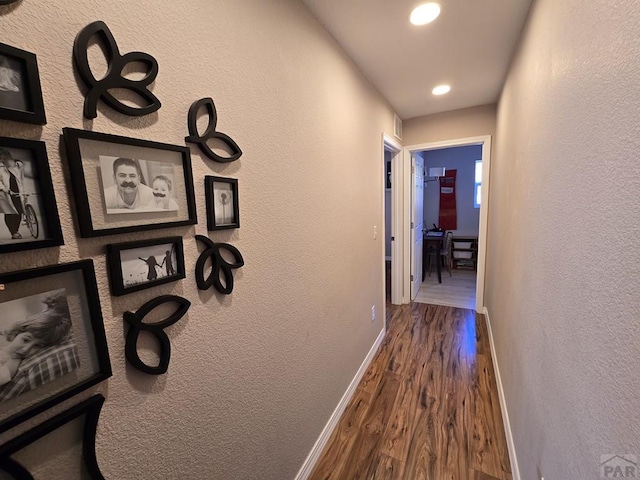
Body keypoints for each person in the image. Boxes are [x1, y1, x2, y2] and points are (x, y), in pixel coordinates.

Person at [0, 294, 72, 386]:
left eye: (37, 346)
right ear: (16, 333)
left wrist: (16, 358)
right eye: (25, 340)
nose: (25, 350)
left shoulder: (15, 360)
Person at [0, 148, 24, 239]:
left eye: (4, 156)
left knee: (19, 211)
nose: (3, 159)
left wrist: (19, 163)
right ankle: (14, 232)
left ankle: (16, 230)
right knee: (9, 212)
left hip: (17, 190)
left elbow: (21, 174)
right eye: (1, 157)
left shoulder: (14, 165)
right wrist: (6, 190)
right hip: (4, 193)